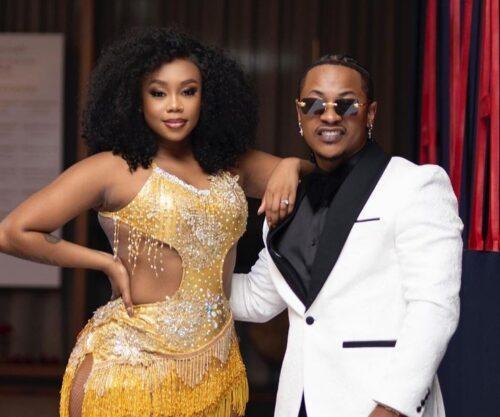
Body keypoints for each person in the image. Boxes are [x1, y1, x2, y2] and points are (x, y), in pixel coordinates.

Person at [0, 28, 310, 417]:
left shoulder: (232, 165)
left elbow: (325, 185)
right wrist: (104, 262)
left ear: (208, 97)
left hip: (215, 369)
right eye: (158, 93)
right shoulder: (113, 169)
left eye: (188, 91)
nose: (174, 106)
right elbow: (13, 232)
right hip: (129, 371)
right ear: (136, 99)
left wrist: (292, 165)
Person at [230, 54, 463, 417]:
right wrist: (168, 278)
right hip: (300, 402)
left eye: (346, 104)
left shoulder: (416, 184)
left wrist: (393, 406)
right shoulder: (291, 198)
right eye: (314, 104)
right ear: (299, 114)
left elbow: (433, 308)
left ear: (370, 113)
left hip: (377, 403)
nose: (329, 115)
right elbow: (256, 301)